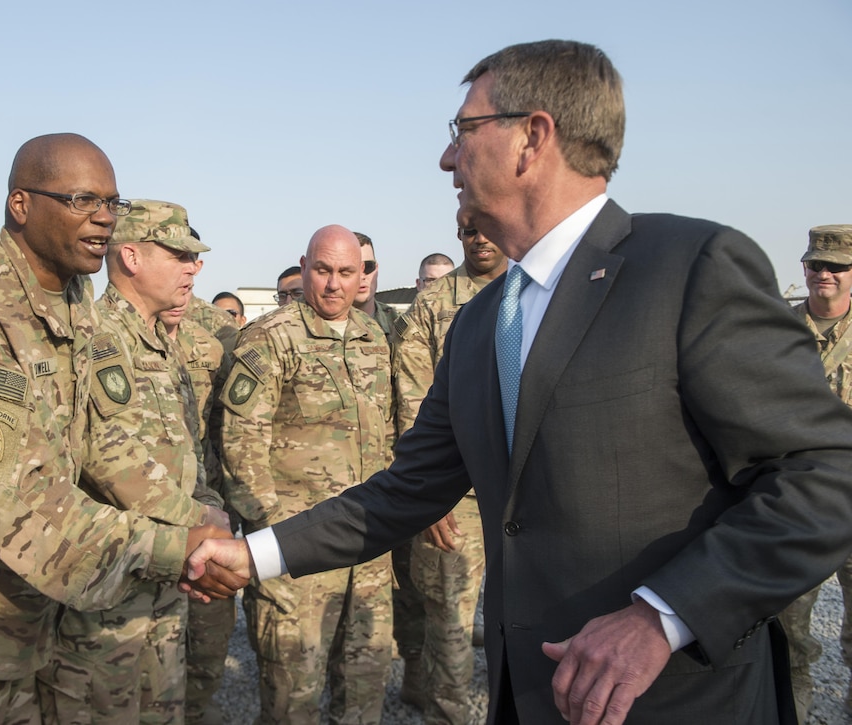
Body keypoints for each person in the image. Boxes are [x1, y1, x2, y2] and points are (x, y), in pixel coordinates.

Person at [185, 40, 852, 725]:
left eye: (463, 132)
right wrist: (253, 553)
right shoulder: (478, 324)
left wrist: (663, 615)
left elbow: (826, 472)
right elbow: (407, 489)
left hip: (678, 701)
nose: (447, 158)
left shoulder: (687, 269)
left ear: (533, 137)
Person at [0, 134, 232, 724]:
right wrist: (173, 549)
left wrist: (192, 520)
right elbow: (11, 492)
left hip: (31, 610)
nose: (104, 218)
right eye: (82, 200)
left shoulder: (72, 293)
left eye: (111, 201)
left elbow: (99, 436)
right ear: (21, 204)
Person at [38, 198, 228, 724]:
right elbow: (109, 456)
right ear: (131, 257)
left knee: (161, 709)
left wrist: (207, 506)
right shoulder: (99, 334)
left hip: (165, 575)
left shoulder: (161, 344)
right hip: (110, 586)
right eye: (179, 255)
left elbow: (187, 450)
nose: (194, 267)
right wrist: (200, 522)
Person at [220, 225, 395, 724]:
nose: (334, 285)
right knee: (291, 697)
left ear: (362, 274)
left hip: (368, 547)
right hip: (297, 550)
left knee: (365, 686)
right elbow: (240, 444)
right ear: (304, 267)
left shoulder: (372, 338)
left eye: (345, 272)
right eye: (322, 270)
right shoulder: (271, 338)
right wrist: (271, 546)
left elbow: (385, 438)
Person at [390, 222, 506, 723]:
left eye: (488, 229)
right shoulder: (433, 305)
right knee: (450, 627)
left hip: (535, 493)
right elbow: (413, 405)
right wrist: (430, 495)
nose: (479, 239)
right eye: (467, 230)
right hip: (458, 498)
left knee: (535, 620)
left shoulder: (541, 288)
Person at [778, 223, 852, 722]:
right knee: (787, 638)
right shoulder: (774, 329)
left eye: (836, 267)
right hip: (796, 504)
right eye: (815, 265)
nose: (823, 274)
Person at [160, 293, 237, 725]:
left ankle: (196, 709)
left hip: (206, 510)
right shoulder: (99, 327)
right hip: (140, 525)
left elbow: (233, 423)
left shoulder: (216, 335)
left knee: (210, 639)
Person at [352, 231, 400, 339]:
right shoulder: (323, 323)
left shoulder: (397, 323)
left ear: (376, 268)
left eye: (368, 267)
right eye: (353, 269)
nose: (362, 276)